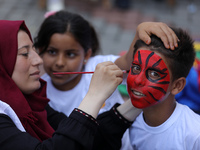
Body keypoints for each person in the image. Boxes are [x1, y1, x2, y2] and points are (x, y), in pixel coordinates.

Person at [34, 10, 179, 149]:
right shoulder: (40, 92)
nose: (59, 62)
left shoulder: (99, 67)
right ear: (39, 51)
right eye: (52, 51)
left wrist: (140, 32)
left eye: (70, 54)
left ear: (86, 55)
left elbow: (129, 61)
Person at [0, 19, 144, 150]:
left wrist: (137, 103)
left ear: (87, 55)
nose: (38, 60)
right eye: (25, 53)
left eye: (34, 50)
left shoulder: (33, 102)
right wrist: (95, 95)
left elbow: (90, 137)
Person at [127, 27, 200, 149]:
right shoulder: (122, 121)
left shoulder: (195, 135)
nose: (138, 80)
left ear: (177, 86)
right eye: (136, 68)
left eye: (154, 74)